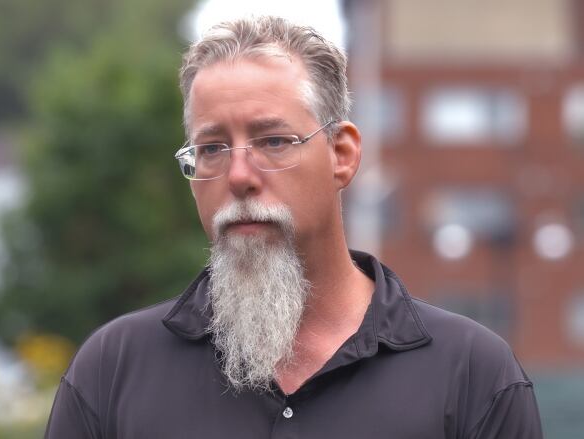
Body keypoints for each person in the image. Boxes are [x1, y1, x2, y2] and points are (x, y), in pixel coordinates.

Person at [45, 16, 543, 438]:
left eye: (274, 141)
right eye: (212, 148)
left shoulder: (473, 374)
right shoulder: (112, 372)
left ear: (342, 155)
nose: (239, 176)